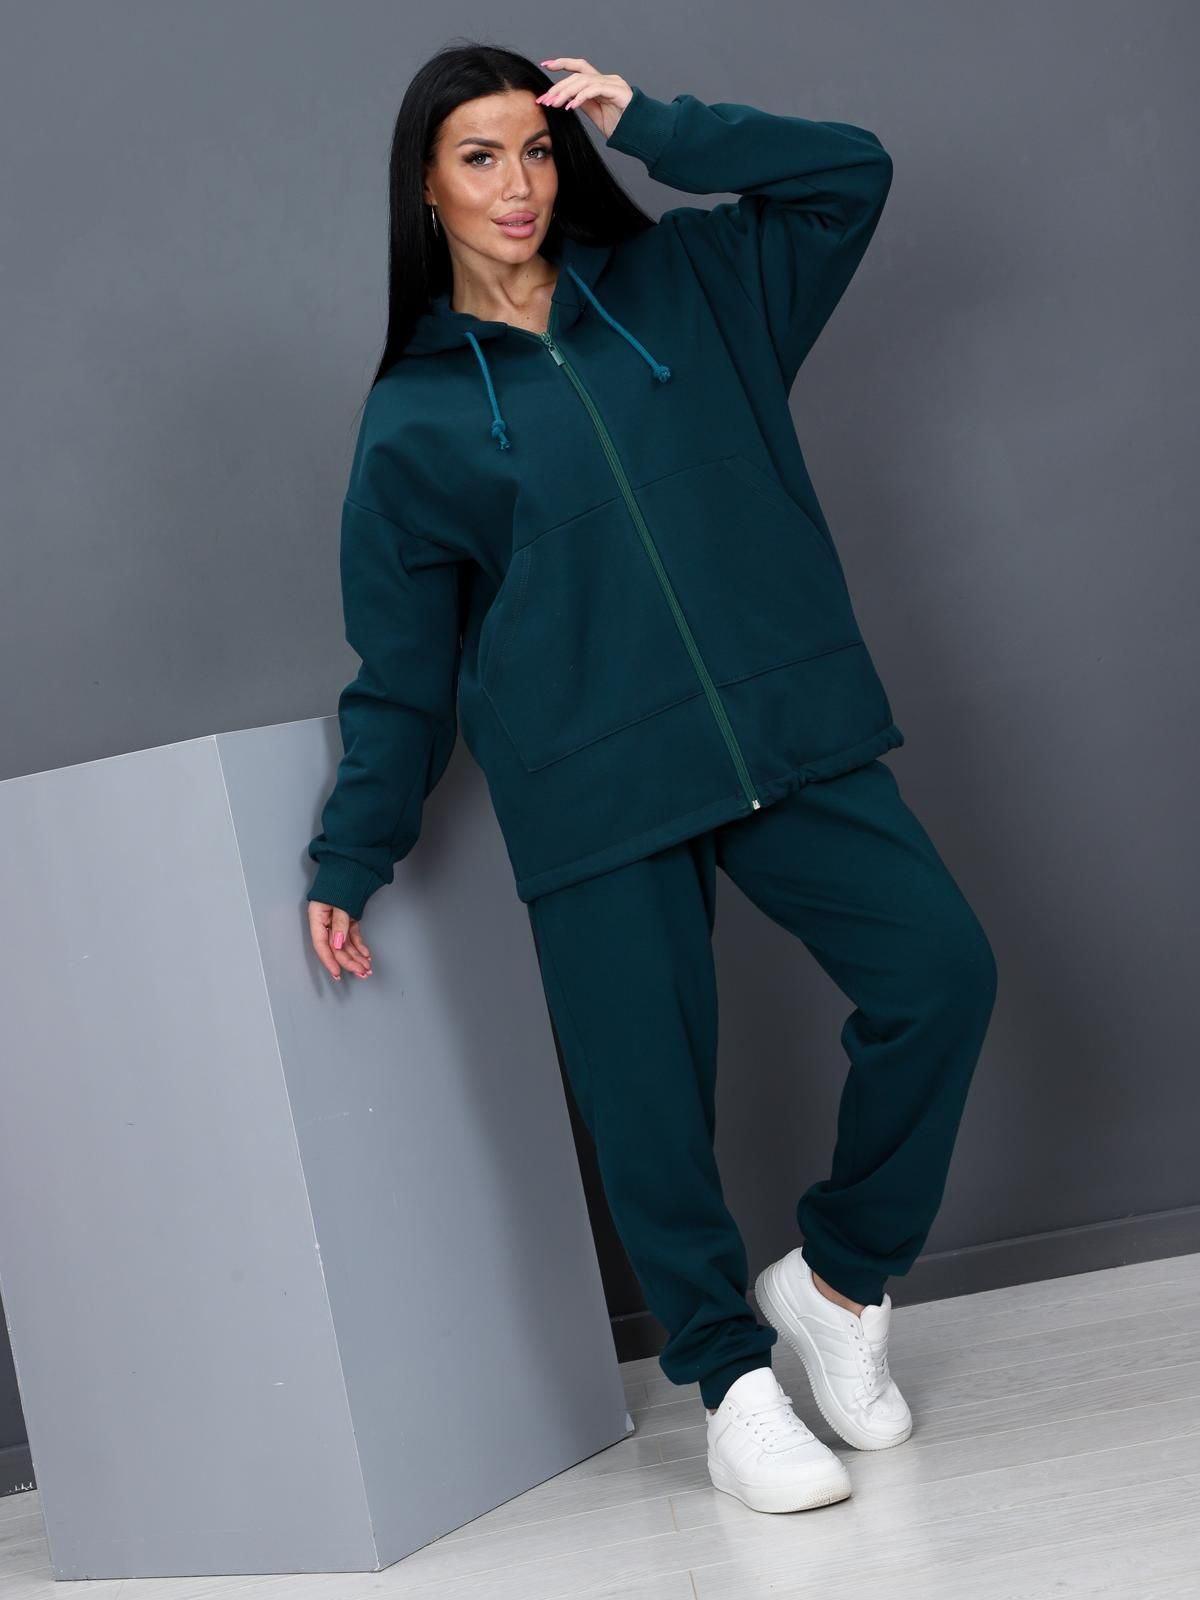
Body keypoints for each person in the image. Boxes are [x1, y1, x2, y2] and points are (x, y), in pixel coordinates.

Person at [305, 43, 998, 1516]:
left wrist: (655, 123)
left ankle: (840, 1281)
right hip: (591, 782)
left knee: (941, 973)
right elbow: (403, 669)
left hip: (782, 728)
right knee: (649, 1105)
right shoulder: (413, 420)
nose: (517, 183)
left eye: (537, 148)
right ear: (423, 185)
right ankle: (732, 1385)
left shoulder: (694, 285)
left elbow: (849, 174)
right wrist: (352, 852)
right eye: (479, 156)